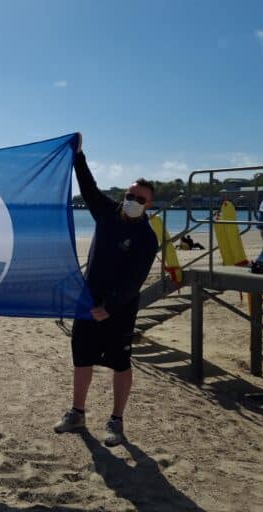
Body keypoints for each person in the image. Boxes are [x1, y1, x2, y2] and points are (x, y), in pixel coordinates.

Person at [54, 134, 158, 447]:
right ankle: (77, 413)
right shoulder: (106, 212)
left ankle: (116, 421)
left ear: (149, 205)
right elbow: (88, 186)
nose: (133, 201)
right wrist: (78, 156)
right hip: (87, 301)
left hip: (120, 310)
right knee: (82, 359)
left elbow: (135, 280)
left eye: (140, 199)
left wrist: (110, 307)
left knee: (120, 364)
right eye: (130, 195)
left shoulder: (147, 237)